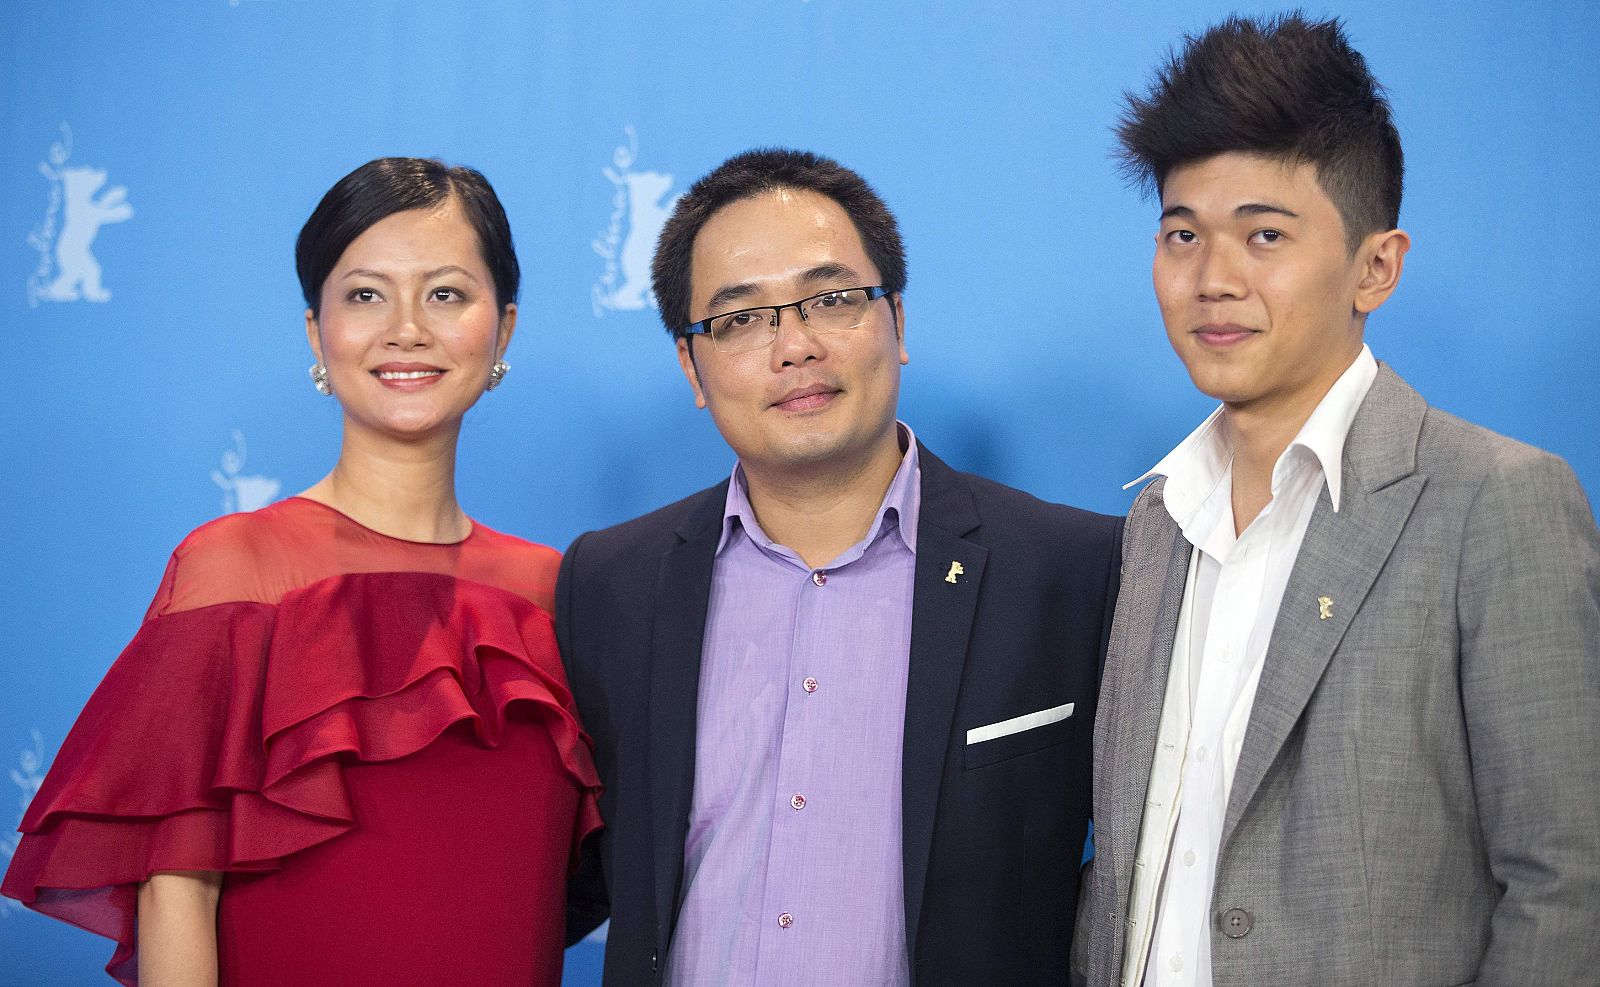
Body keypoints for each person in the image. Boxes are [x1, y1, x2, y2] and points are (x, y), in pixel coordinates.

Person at [1074, 14, 1600, 987]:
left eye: (1262, 235)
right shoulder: (1155, 521)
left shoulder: (1497, 503)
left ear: (1375, 267)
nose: (1211, 278)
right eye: (1180, 235)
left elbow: (1569, 889)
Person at [1, 157, 601, 986]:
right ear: (317, 332)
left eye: (446, 293)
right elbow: (175, 891)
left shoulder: (559, 592)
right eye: (364, 294)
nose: (406, 328)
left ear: (502, 328)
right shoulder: (234, 568)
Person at [557, 148, 1121, 986]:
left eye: (831, 299)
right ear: (693, 369)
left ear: (897, 321)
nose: (795, 346)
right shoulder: (612, 583)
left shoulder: (1073, 570)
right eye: (740, 320)